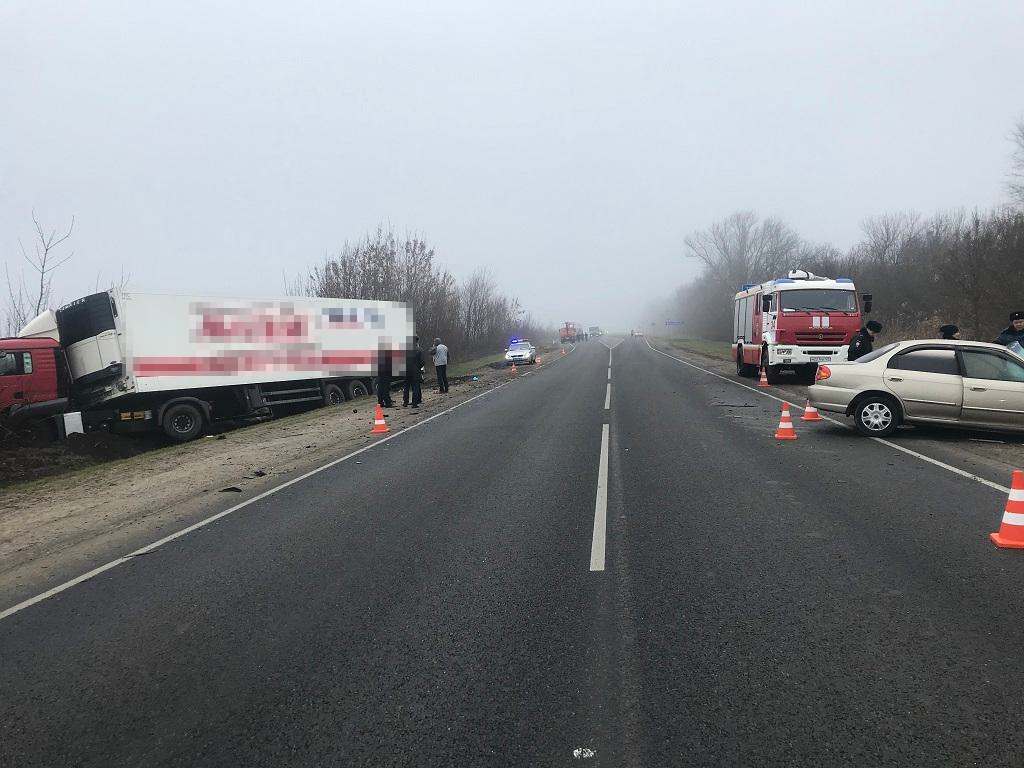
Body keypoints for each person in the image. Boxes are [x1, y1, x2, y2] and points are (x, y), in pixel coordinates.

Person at [403, 336, 424, 408]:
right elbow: (422, 362)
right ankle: (414, 403)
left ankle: (405, 402)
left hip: (406, 370)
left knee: (406, 387)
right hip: (415, 371)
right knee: (415, 386)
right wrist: (418, 367)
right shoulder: (419, 350)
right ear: (417, 342)